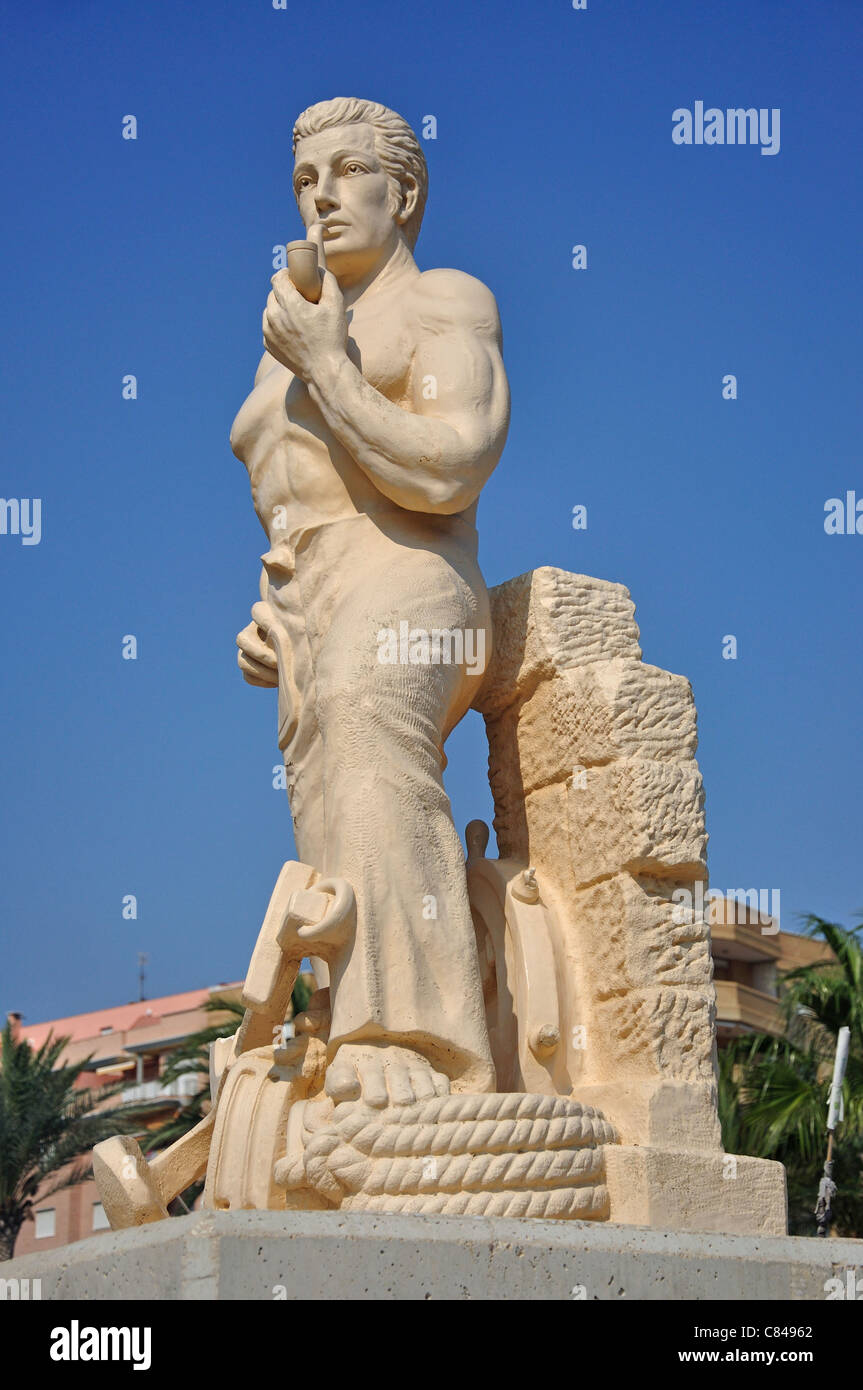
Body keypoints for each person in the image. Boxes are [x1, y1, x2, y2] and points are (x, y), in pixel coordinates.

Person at [230, 98, 509, 1108]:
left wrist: (326, 366)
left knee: (366, 738)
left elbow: (448, 467)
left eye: (349, 172)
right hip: (312, 612)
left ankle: (421, 1044)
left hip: (414, 577)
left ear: (405, 192)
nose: (322, 197)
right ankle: (349, 1028)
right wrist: (269, 617)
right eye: (305, 180)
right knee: (332, 810)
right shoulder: (282, 343)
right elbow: (291, 510)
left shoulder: (441, 302)